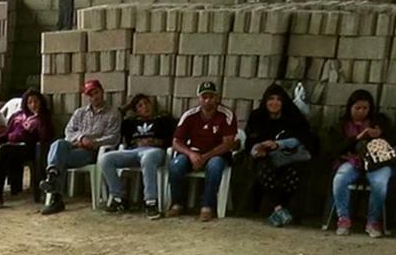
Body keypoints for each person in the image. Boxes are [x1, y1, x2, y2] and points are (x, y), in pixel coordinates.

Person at [41, 79, 123, 214]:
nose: (94, 97)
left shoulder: (113, 113)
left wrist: (93, 142)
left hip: (92, 152)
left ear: (102, 92)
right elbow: (68, 131)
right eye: (90, 95)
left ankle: (54, 191)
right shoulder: (80, 112)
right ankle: (53, 174)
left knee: (59, 159)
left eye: (96, 93)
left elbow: (113, 137)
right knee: (58, 144)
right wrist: (81, 138)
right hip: (74, 146)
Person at [242, 82, 317, 227]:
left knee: (295, 172)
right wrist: (257, 149)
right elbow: (250, 141)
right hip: (264, 158)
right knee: (264, 168)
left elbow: (303, 138)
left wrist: (278, 144)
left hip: (288, 157)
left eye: (278, 99)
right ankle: (279, 209)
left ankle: (279, 210)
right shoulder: (257, 116)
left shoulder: (292, 116)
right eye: (271, 99)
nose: (274, 103)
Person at [330, 89, 396, 238]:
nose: (361, 112)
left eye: (365, 108)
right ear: (350, 107)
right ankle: (343, 219)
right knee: (340, 179)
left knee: (379, 183)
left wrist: (381, 134)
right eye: (357, 108)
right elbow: (335, 149)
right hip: (352, 161)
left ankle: (373, 221)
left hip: (377, 163)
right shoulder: (341, 124)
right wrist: (357, 138)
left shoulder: (379, 122)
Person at [166, 81, 240, 222]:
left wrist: (205, 157)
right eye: (204, 97)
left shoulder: (226, 115)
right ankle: (177, 204)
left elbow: (227, 143)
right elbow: (176, 142)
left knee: (214, 166)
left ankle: (207, 207)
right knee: (175, 165)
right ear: (199, 98)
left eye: (211, 97)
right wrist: (191, 154)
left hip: (216, 154)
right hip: (193, 153)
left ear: (217, 97)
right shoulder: (189, 115)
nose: (207, 100)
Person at [102, 94, 174, 217]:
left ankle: (150, 202)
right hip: (133, 151)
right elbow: (117, 115)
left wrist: (156, 141)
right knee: (106, 159)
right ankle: (119, 198)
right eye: (140, 106)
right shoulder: (130, 122)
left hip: (154, 151)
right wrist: (128, 107)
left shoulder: (163, 120)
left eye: (146, 103)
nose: (145, 107)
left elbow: (172, 139)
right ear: (135, 110)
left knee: (148, 158)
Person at [0, 90, 51, 209]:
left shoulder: (43, 117)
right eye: (30, 102)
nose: (33, 105)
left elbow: (45, 137)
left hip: (28, 149)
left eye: (36, 102)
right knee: (2, 157)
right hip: (11, 147)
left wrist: (39, 119)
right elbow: (6, 133)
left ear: (41, 102)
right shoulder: (17, 116)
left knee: (3, 149)